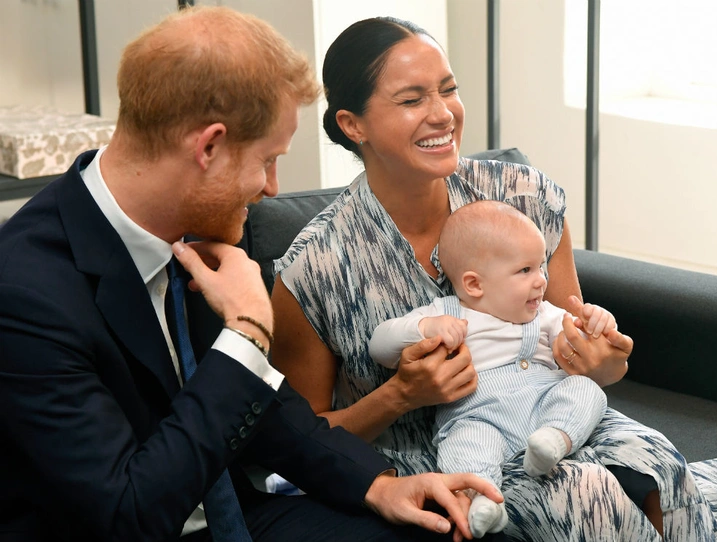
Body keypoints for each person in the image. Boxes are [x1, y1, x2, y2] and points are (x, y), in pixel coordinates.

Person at [0, 7, 505, 542]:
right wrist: (245, 336)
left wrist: (378, 486)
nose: (271, 187)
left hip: (236, 514)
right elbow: (129, 512)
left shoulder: (198, 222)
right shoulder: (26, 295)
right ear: (209, 147)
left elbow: (268, 410)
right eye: (267, 160)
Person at [270, 15, 717, 541]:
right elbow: (297, 441)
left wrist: (602, 360)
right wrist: (400, 395)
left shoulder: (522, 195)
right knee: (584, 495)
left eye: (448, 89)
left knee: (660, 463)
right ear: (354, 125)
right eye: (413, 99)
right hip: (450, 457)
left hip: (559, 418)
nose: (443, 114)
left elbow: (578, 340)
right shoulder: (315, 266)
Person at [369, 200, 618, 536]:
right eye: (525, 270)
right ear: (474, 285)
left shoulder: (543, 314)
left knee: (586, 391)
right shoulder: (446, 314)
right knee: (464, 445)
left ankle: (554, 441)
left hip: (545, 405)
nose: (541, 281)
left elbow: (580, 337)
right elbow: (379, 346)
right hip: (479, 417)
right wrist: (425, 328)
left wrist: (598, 322)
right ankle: (484, 500)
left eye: (541, 267)